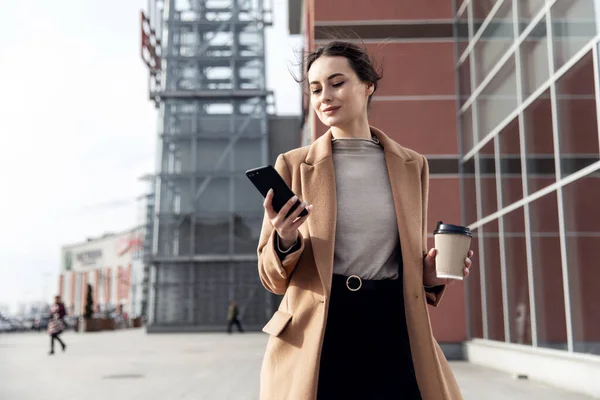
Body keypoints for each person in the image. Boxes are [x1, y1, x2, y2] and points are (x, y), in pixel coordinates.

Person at [256, 41, 474, 400]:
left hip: (392, 324)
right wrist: (285, 239)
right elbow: (271, 279)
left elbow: (406, 257)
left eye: (337, 82)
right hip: (320, 333)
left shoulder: (412, 165)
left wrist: (430, 276)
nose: (325, 95)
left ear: (368, 84)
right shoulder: (293, 166)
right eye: (315, 89)